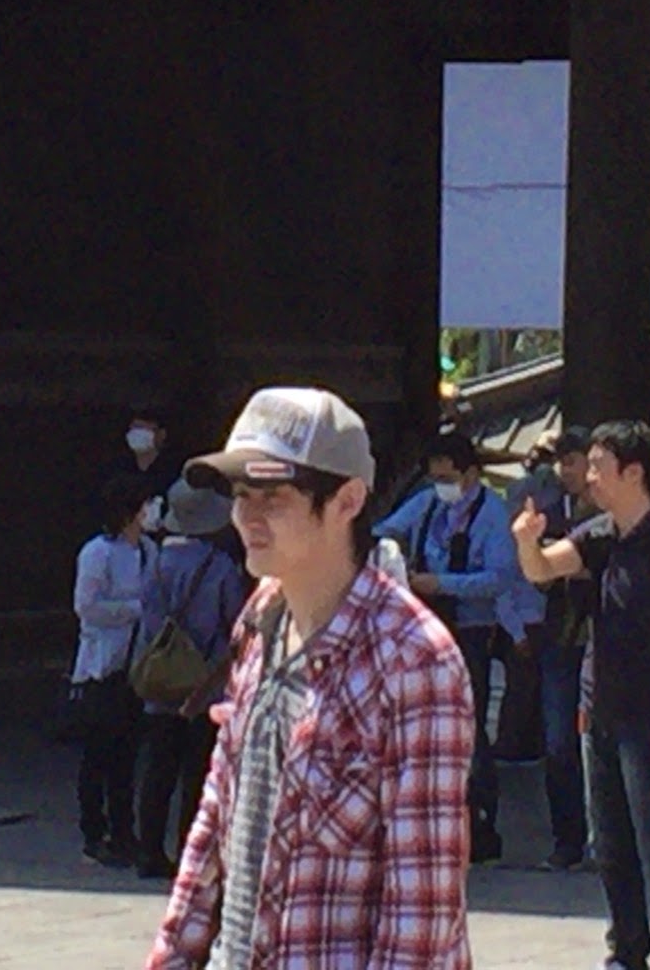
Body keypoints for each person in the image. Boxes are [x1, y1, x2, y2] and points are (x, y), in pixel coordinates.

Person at [147, 385, 473, 970]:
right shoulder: (262, 616)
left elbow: (421, 912)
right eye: (240, 495)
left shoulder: (412, 659)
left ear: (347, 500)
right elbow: (217, 812)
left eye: (273, 496)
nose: (248, 517)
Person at [514, 421, 650, 970]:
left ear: (633, 472)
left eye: (600, 466)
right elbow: (542, 570)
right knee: (610, 844)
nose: (590, 476)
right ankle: (626, 948)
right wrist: (527, 540)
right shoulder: (599, 535)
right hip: (599, 711)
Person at [374, 426, 542, 865]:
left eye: (447, 478)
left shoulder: (493, 515)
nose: (441, 486)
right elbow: (384, 530)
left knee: (469, 726)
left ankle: (480, 823)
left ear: (470, 475)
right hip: (425, 624)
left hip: (471, 630)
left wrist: (441, 583)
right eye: (435, 478)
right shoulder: (427, 503)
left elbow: (500, 578)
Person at [134, 480, 249, 880]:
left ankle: (149, 851)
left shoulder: (155, 562)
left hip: (161, 679)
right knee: (197, 773)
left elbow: (147, 618)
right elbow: (234, 620)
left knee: (157, 769)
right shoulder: (219, 565)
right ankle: (190, 852)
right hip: (205, 683)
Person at [519, 427, 596, 869]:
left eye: (573, 461)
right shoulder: (548, 513)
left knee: (605, 744)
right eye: (561, 462)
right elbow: (538, 573)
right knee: (559, 743)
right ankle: (567, 839)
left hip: (606, 638)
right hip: (562, 638)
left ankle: (606, 839)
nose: (566, 471)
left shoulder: (615, 515)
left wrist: (569, 562)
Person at [73, 474, 160, 867]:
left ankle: (125, 832)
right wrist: (134, 610)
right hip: (102, 665)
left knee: (126, 756)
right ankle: (94, 831)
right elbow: (86, 606)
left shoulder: (149, 550)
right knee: (98, 755)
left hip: (136, 665)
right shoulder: (98, 553)